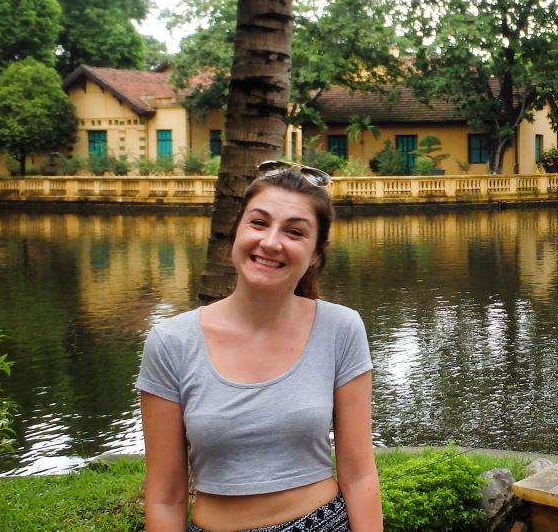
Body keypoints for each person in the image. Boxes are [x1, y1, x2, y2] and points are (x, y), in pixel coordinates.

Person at [138, 161, 379, 532]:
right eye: (259, 223)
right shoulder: (171, 342)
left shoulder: (340, 328)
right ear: (235, 231)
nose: (271, 242)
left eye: (294, 232)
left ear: (316, 253)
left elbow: (359, 474)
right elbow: (164, 497)